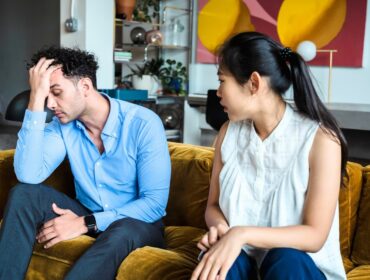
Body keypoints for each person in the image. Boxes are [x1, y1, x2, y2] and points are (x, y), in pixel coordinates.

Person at [0, 46, 171, 279]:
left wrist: (85, 223)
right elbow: (28, 175)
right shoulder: (62, 127)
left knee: (123, 229)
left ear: (85, 87)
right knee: (24, 194)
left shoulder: (143, 124)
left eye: (56, 92)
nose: (50, 104)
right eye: (45, 95)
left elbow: (154, 204)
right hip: (85, 211)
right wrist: (35, 99)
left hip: (137, 224)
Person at [191, 32, 348, 280]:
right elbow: (213, 206)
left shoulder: (321, 140)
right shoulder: (228, 133)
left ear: (254, 83)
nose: (218, 91)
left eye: (222, 80)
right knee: (223, 264)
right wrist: (221, 229)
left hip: (297, 269)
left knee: (285, 258)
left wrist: (240, 234)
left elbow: (315, 235)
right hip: (243, 263)